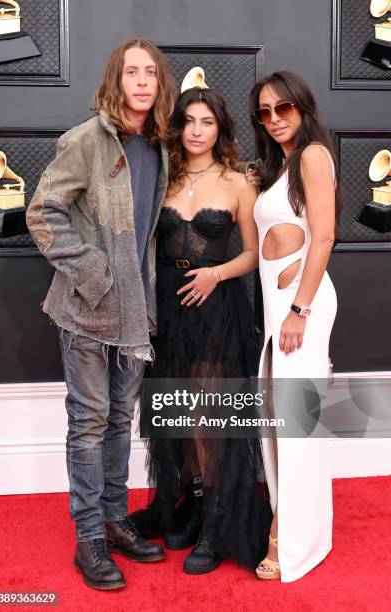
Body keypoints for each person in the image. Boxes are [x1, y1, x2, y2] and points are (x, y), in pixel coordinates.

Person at [26, 38, 175, 590]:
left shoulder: (158, 146)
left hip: (135, 315)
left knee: (118, 421)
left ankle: (114, 520)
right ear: (116, 81)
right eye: (131, 72)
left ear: (160, 85)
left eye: (150, 73)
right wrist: (93, 273)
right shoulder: (87, 140)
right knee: (88, 425)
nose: (141, 81)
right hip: (88, 310)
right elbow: (42, 211)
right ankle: (88, 538)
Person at [131, 84, 272, 575]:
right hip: (167, 306)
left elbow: (254, 254)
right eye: (188, 121)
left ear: (220, 129)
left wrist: (215, 273)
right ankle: (191, 503)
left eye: (206, 122)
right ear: (178, 127)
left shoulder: (238, 183)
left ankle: (216, 524)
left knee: (210, 416)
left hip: (216, 305)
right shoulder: (162, 176)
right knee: (177, 411)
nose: (196, 131)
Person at [249, 70, 340, 581]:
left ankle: (288, 539)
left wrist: (299, 310)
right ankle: (305, 526)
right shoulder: (284, 166)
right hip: (281, 307)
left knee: (296, 423)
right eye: (264, 111)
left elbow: (323, 238)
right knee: (284, 422)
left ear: (302, 107)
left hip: (300, 308)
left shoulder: (312, 155)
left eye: (283, 107)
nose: (275, 118)